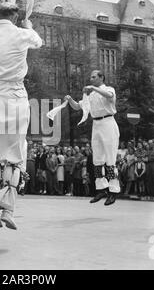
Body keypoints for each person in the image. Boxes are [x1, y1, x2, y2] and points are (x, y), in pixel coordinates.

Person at [0, 0, 42, 229]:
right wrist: (29, 25)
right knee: (13, 154)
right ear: (15, 16)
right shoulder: (23, 34)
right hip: (13, 94)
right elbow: (38, 42)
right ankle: (7, 209)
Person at [65, 70, 120, 205]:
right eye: (91, 77)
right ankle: (101, 188)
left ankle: (113, 191)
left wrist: (93, 88)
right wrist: (70, 100)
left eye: (94, 77)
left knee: (110, 158)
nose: (91, 79)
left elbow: (109, 96)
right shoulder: (92, 95)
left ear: (101, 77)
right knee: (97, 158)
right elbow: (78, 107)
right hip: (96, 125)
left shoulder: (108, 89)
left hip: (108, 122)